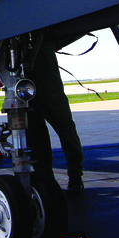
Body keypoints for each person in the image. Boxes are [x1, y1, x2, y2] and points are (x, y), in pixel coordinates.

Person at [28, 42, 85, 196]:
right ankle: (51, 181)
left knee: (59, 133)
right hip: (34, 90)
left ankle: (71, 178)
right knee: (40, 137)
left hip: (43, 90)